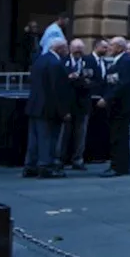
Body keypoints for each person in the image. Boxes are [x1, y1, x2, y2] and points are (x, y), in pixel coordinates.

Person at [24, 37, 72, 179]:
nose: (67, 50)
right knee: (48, 138)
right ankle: (45, 166)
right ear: (59, 48)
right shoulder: (55, 64)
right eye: (65, 47)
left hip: (34, 105)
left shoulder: (40, 60)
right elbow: (57, 90)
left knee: (34, 138)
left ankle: (30, 166)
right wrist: (64, 111)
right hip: (48, 108)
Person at [98, 36, 130, 177]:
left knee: (120, 137)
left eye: (112, 45)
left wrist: (107, 98)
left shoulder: (126, 62)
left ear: (120, 47)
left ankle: (120, 167)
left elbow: (123, 83)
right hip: (115, 105)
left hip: (123, 105)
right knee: (115, 136)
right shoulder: (116, 61)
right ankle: (115, 164)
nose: (109, 48)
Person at [60, 38, 101, 170]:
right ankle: (60, 159)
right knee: (63, 134)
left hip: (83, 103)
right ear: (70, 48)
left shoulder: (89, 61)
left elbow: (97, 79)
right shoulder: (62, 61)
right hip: (66, 103)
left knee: (80, 134)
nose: (78, 51)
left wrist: (84, 82)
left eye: (80, 48)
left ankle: (78, 159)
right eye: (75, 48)